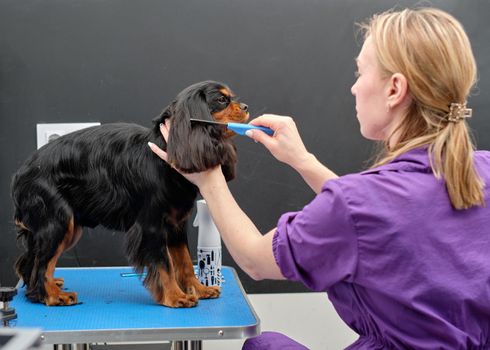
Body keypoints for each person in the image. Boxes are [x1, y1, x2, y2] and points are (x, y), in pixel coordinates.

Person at [148, 7, 490, 349]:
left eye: (360, 73)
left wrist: (209, 180)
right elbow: (378, 215)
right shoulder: (482, 169)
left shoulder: (356, 205)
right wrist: (303, 161)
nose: (354, 88)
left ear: (394, 89)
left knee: (264, 345)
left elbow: (254, 259)